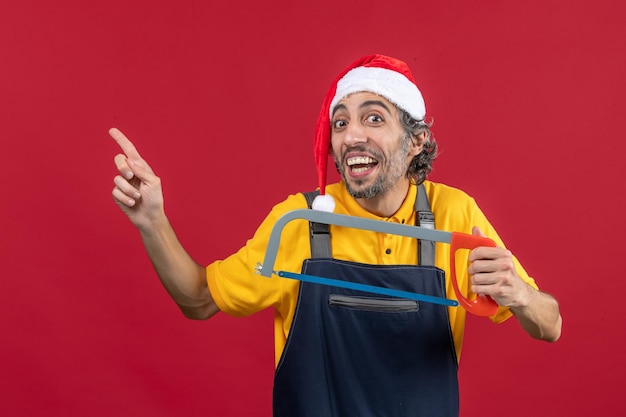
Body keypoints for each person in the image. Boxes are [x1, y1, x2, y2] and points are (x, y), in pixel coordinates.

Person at [111, 54, 562, 417]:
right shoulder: (300, 221)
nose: (351, 136)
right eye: (341, 123)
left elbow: (551, 325)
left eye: (374, 118)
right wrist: (152, 220)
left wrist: (519, 294)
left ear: (417, 142)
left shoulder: (454, 215)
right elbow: (199, 300)